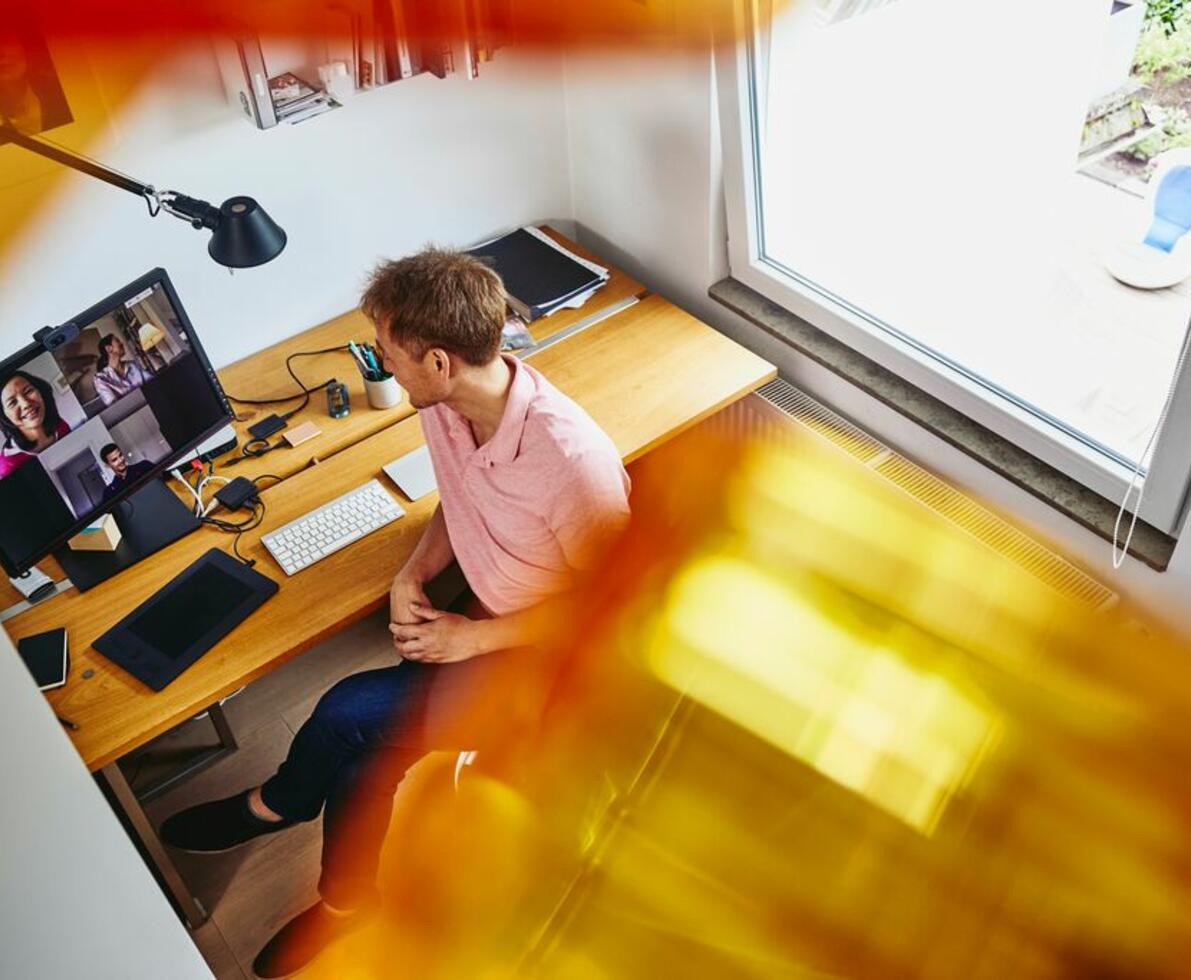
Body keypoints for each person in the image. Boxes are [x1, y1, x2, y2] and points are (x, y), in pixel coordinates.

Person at [160, 248, 631, 977]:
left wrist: (474, 639)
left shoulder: (572, 462)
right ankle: (345, 904)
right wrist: (415, 570)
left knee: (347, 710)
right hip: (488, 618)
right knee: (362, 767)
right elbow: (460, 496)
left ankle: (276, 806)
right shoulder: (450, 409)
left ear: (438, 361)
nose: (372, 364)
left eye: (383, 352)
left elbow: (615, 609)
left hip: (548, 666)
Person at [0, 369, 71, 479]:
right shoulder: (8, 465)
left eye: (28, 391)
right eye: (12, 402)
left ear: (41, 392)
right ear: (4, 416)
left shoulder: (61, 426)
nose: (25, 404)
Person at [93, 333, 151, 406]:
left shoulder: (133, 365)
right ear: (108, 348)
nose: (122, 343)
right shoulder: (101, 379)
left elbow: (152, 381)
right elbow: (116, 406)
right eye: (117, 341)